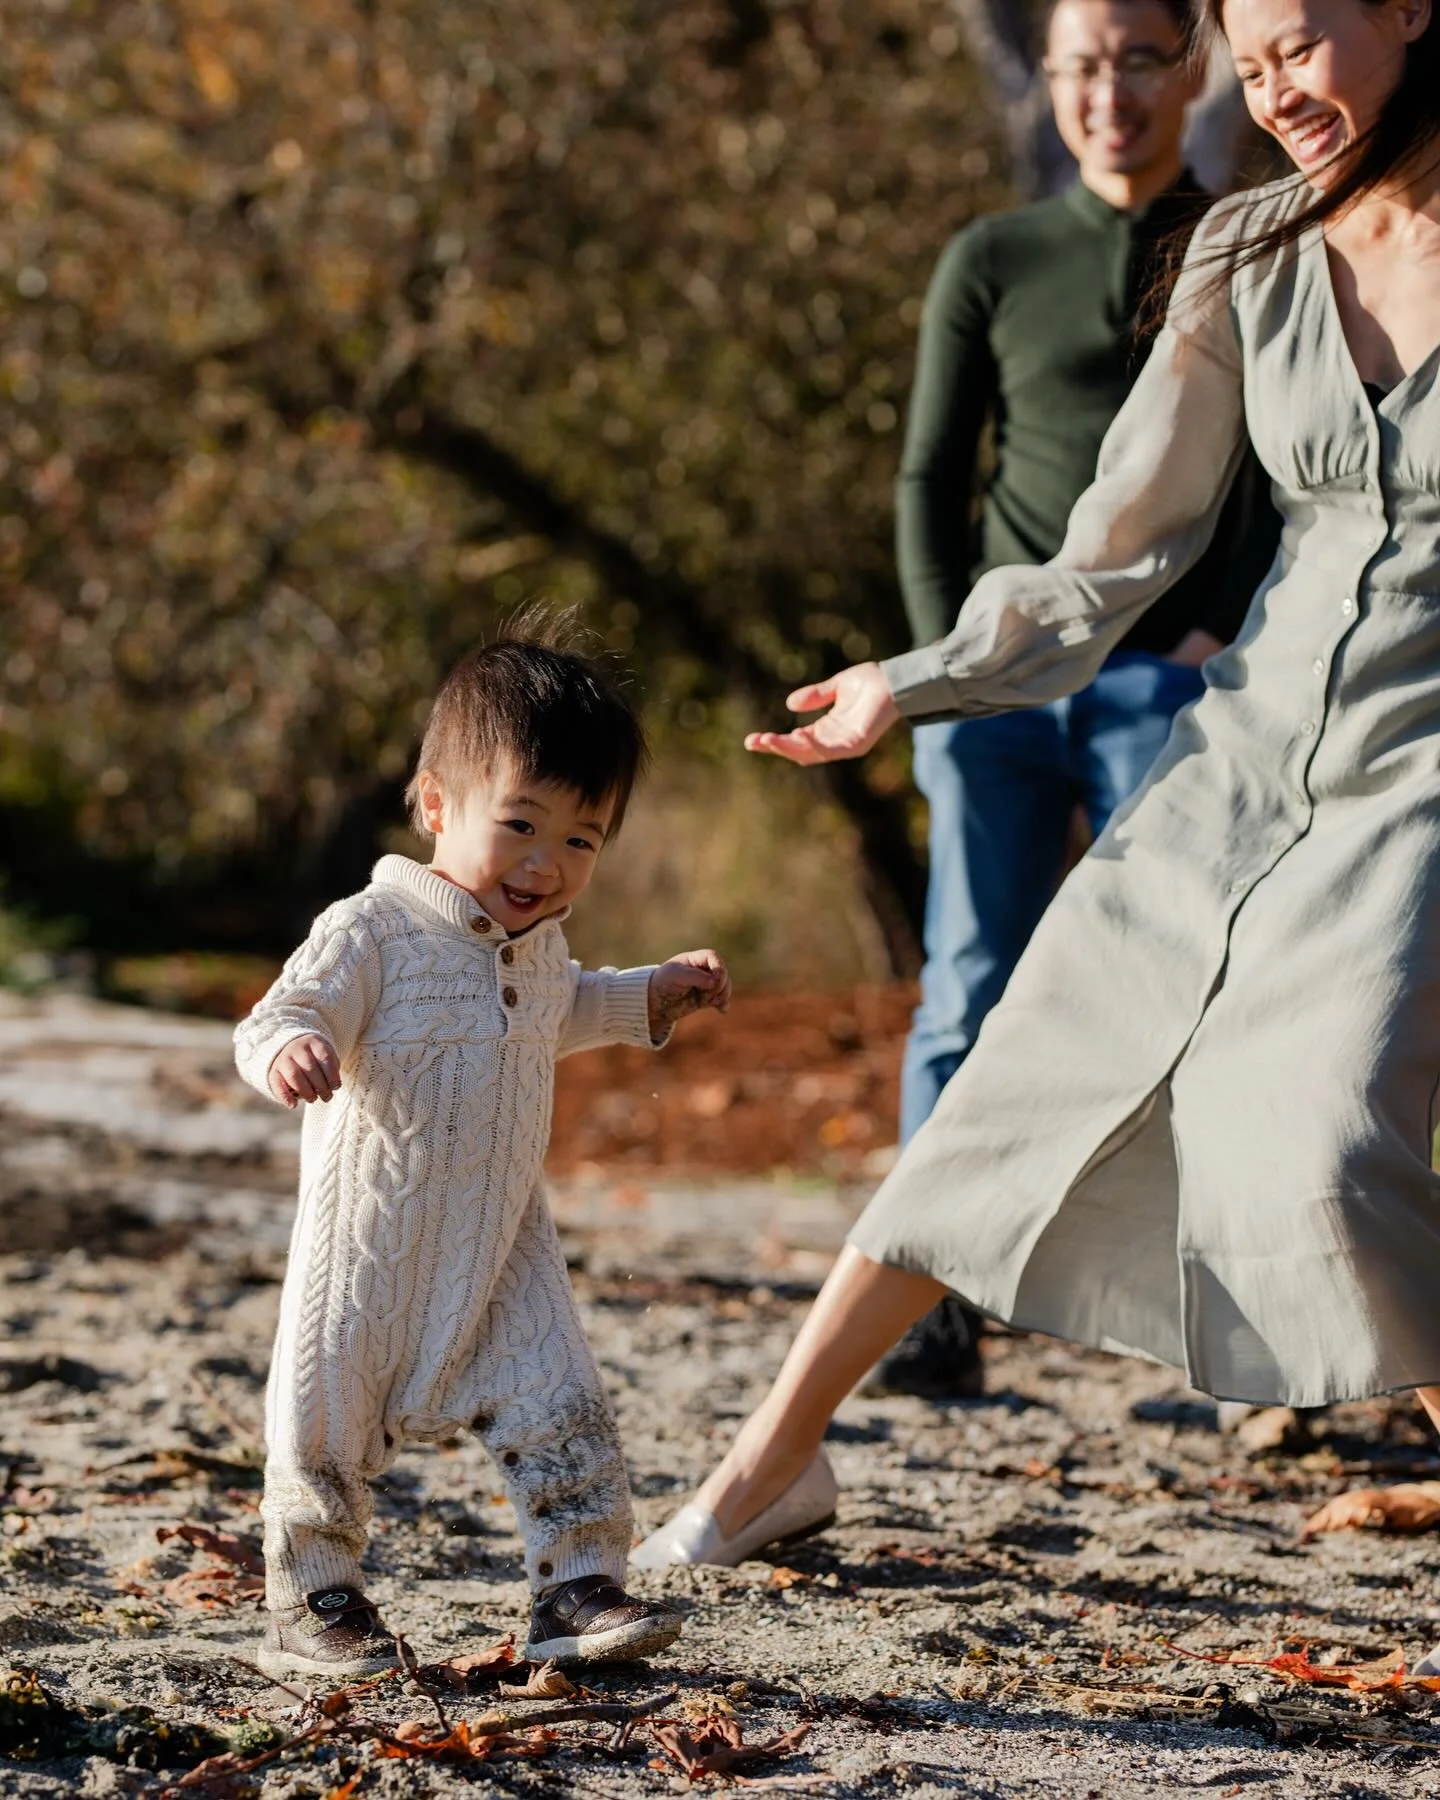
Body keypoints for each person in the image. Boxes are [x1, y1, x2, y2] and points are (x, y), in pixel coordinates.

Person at [635, 0, 1440, 1675]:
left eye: (1304, 38)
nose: (1274, 84)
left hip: (1420, 786)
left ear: (1412, 11)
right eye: (1252, 52)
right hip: (1245, 757)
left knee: (1333, 1140)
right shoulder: (1246, 244)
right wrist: (910, 682)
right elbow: (1113, 552)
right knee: (1014, 1079)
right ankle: (763, 1469)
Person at [878, 0, 1280, 1400]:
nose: (1108, 95)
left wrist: (1216, 632)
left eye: (1136, 62)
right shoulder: (992, 258)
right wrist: (948, 669)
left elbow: (1274, 473)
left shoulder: (1248, 239)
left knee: (1185, 995)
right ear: (1049, 87)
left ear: (1191, 72)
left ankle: (1217, 1327)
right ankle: (932, 1311)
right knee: (968, 989)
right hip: (997, 688)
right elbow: (934, 477)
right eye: (1078, 70)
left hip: (1163, 689)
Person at [235, 626, 731, 1678]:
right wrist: (294, 1046)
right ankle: (315, 1593)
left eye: (584, 841)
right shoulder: (372, 930)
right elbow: (281, 1009)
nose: (547, 865)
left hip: (505, 1243)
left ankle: (577, 1584)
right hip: (372, 1244)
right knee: (321, 1421)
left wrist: (649, 993)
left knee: (564, 1402)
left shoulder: (535, 949)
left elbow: (565, 1006)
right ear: (436, 806)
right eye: (521, 825)